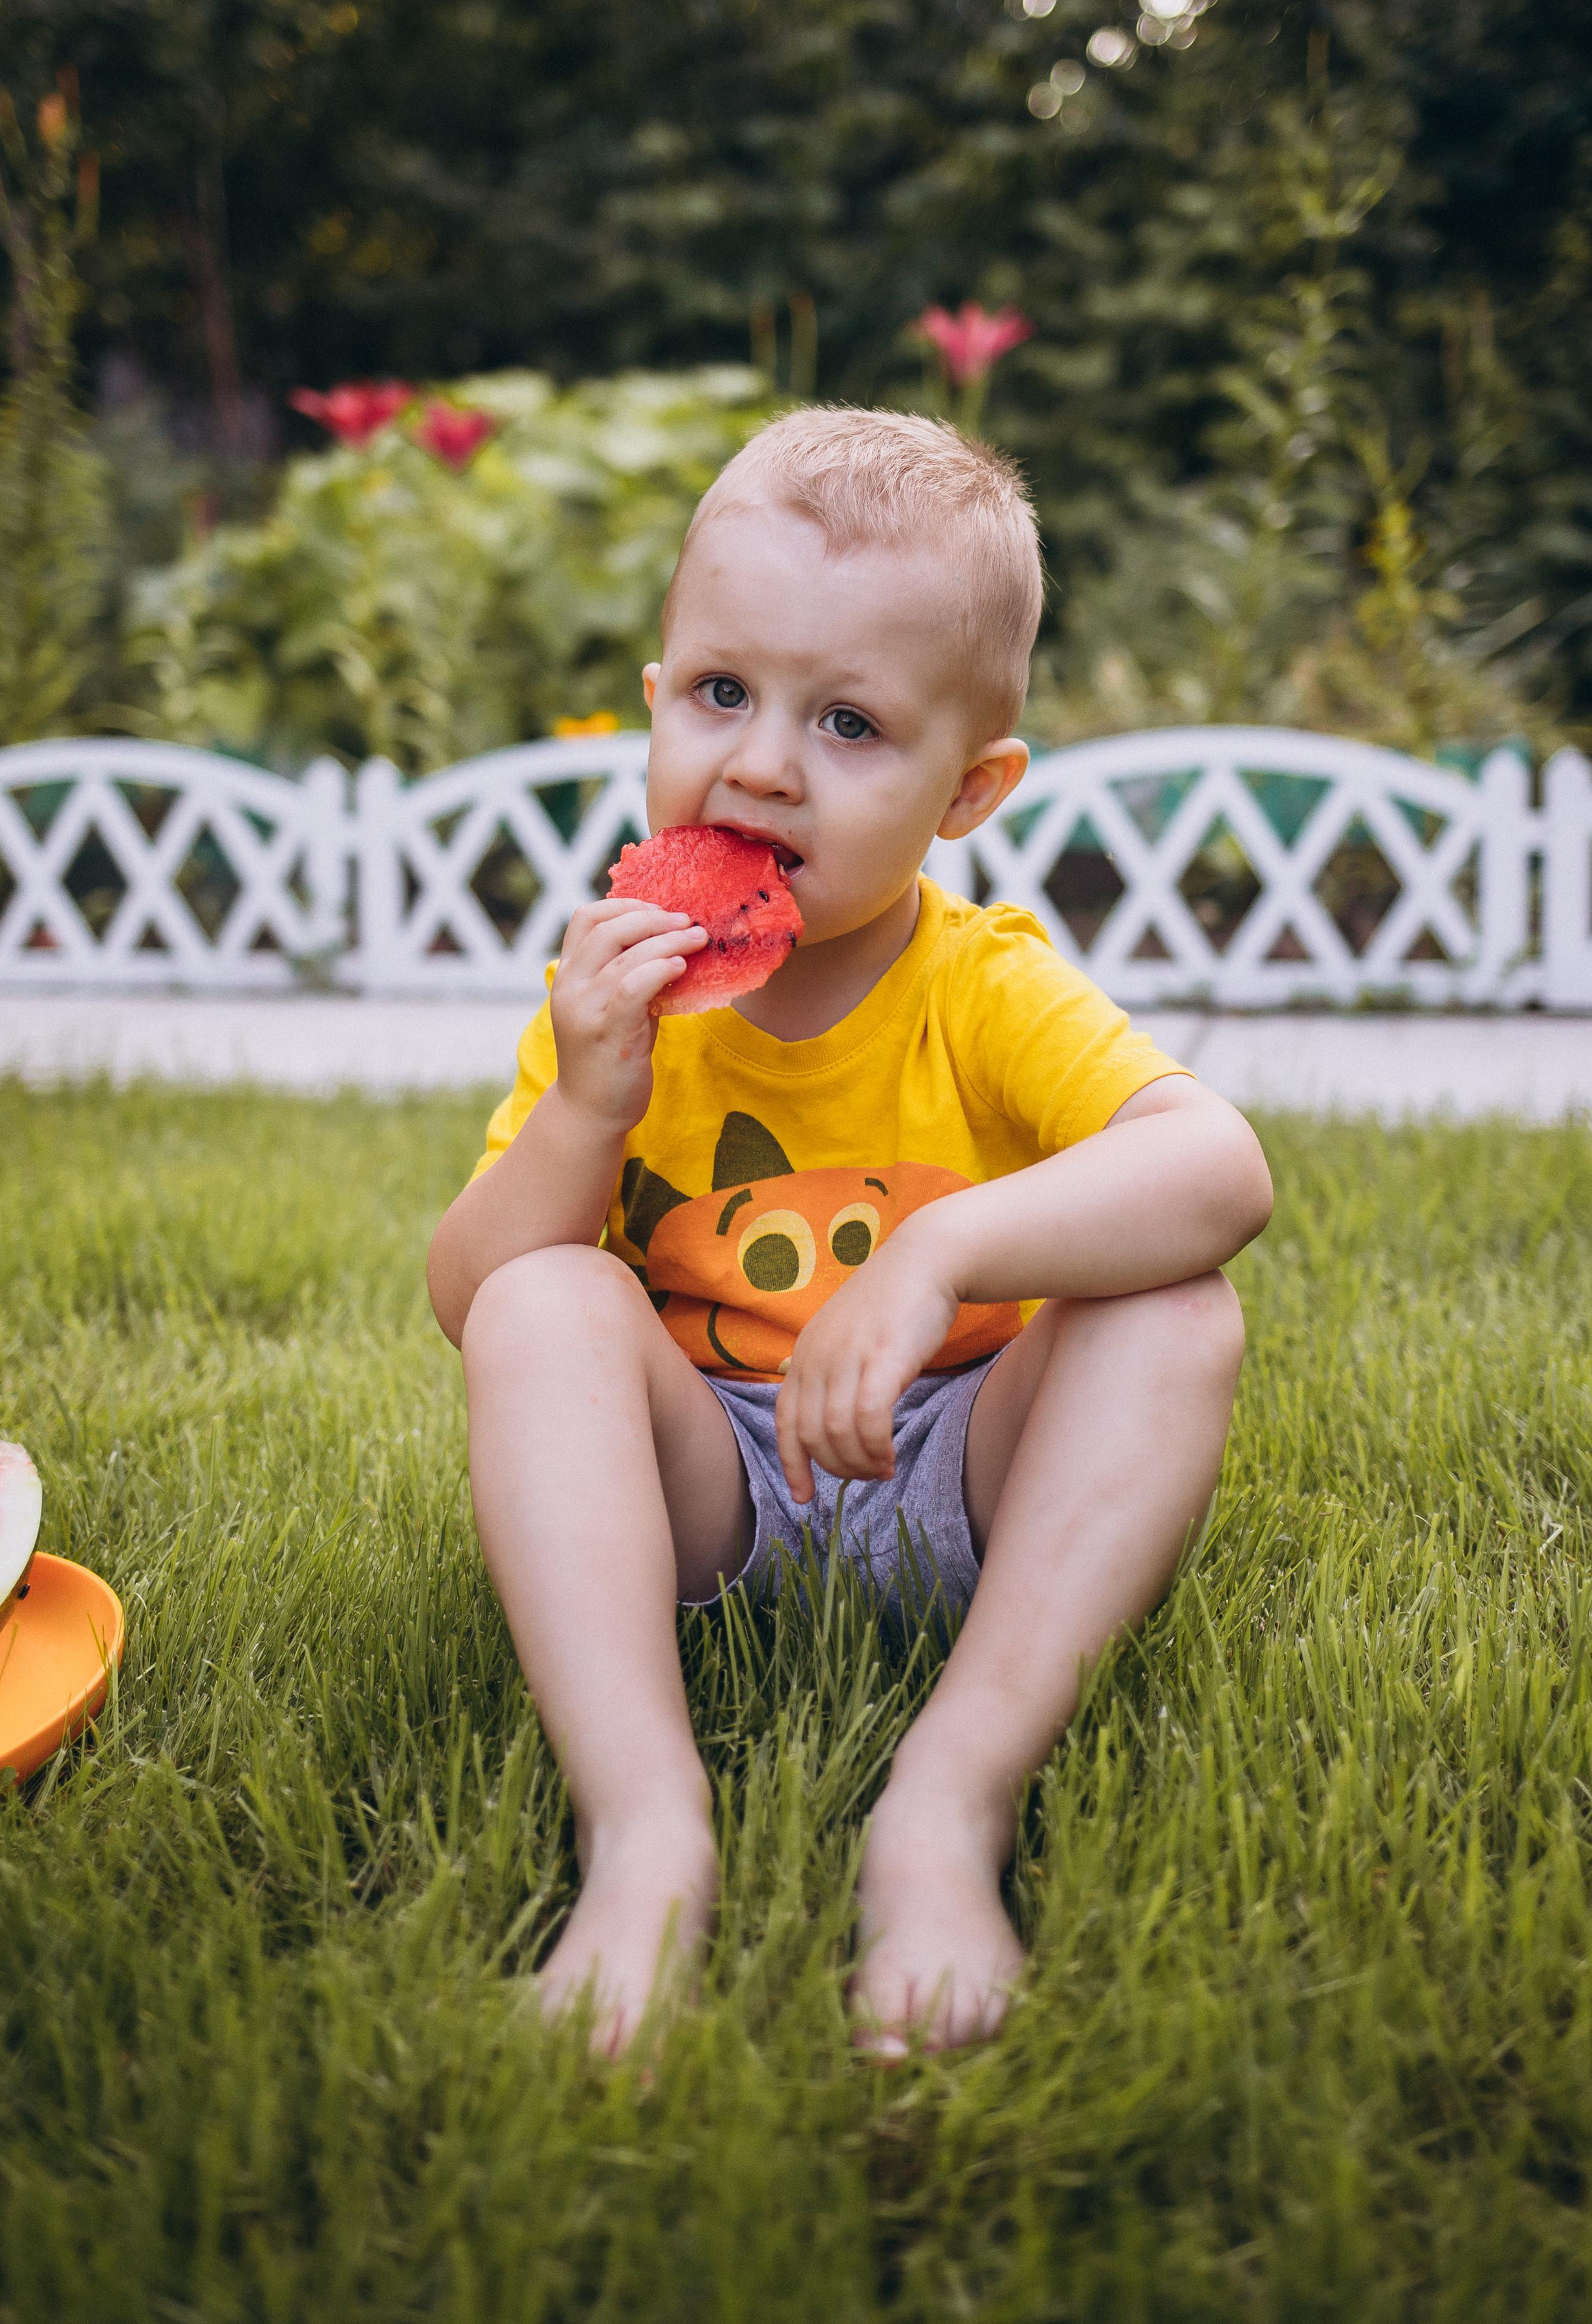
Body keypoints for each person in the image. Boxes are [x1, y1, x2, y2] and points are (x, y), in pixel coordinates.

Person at [428, 408, 1274, 2058]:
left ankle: (943, 1811)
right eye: (722, 693)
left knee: (1177, 1312)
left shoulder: (982, 981)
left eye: (849, 723)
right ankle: (647, 1832)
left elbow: (1216, 1168)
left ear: (967, 791)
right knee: (547, 1304)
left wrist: (941, 1259)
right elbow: (471, 1297)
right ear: (658, 693)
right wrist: (589, 1104)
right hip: (711, 1497)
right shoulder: (614, 993)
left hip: (958, 1464)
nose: (758, 764)